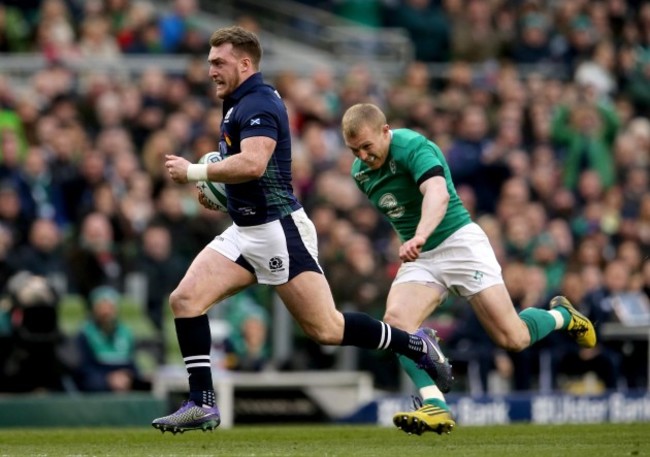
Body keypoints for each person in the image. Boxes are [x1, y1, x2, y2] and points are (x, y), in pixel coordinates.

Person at [152, 26, 451, 434]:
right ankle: (202, 402)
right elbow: (250, 174)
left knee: (326, 329)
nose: (211, 71)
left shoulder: (258, 102)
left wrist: (194, 172)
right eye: (209, 63)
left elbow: (254, 163)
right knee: (185, 299)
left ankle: (416, 344)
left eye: (218, 63)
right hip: (246, 229)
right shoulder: (237, 101)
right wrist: (220, 195)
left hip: (279, 231)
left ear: (245, 63)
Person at [340, 103, 597, 435]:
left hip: (459, 243)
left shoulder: (413, 146)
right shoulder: (359, 173)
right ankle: (436, 405)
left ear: (385, 131)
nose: (362, 155)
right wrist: (415, 240)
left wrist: (419, 234)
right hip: (422, 257)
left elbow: (438, 194)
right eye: (354, 150)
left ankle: (562, 315)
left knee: (513, 338)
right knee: (397, 325)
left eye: (367, 146)